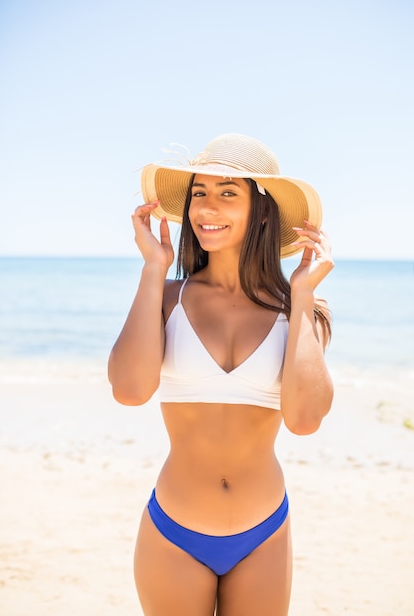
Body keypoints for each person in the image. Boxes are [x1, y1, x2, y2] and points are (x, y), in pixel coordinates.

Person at [108, 133, 334, 616]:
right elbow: (129, 391)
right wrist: (154, 270)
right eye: (198, 193)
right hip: (175, 531)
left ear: (263, 211)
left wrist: (302, 301)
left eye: (228, 192)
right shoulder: (168, 298)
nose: (207, 207)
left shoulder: (298, 308)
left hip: (264, 533)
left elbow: (305, 419)